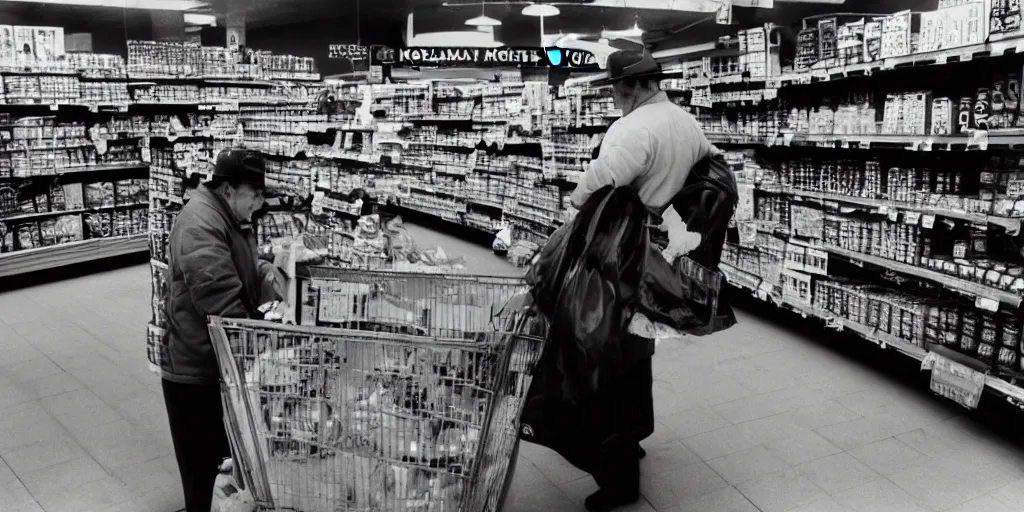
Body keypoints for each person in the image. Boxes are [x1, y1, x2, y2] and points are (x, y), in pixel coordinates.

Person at [567, 49, 719, 512]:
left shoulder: (631, 129)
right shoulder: (686, 122)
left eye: (615, 89)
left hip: (624, 256)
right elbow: (710, 170)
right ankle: (634, 436)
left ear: (631, 88)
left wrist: (574, 199)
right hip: (664, 255)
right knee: (638, 348)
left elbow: (599, 183)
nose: (614, 98)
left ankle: (619, 482)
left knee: (608, 359)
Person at [161, 147, 278, 512]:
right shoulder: (200, 221)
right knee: (201, 472)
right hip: (195, 369)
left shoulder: (230, 215)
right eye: (254, 194)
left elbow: (244, 266)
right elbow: (219, 299)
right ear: (228, 189)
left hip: (219, 361)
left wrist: (275, 275)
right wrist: (263, 348)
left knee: (226, 466)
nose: (259, 202)